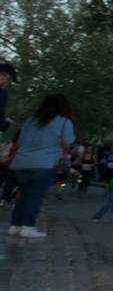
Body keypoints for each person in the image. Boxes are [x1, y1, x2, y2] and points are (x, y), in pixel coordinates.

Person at [8, 94, 76, 239]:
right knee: (35, 196)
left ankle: (15, 225)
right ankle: (27, 227)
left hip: (21, 162)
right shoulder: (64, 122)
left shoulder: (30, 121)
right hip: (44, 162)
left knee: (23, 195)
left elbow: (20, 141)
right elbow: (68, 142)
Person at [0, 62, 14, 135]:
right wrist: (7, 122)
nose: (5, 80)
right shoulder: (2, 93)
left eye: (8, 79)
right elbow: (1, 125)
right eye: (3, 75)